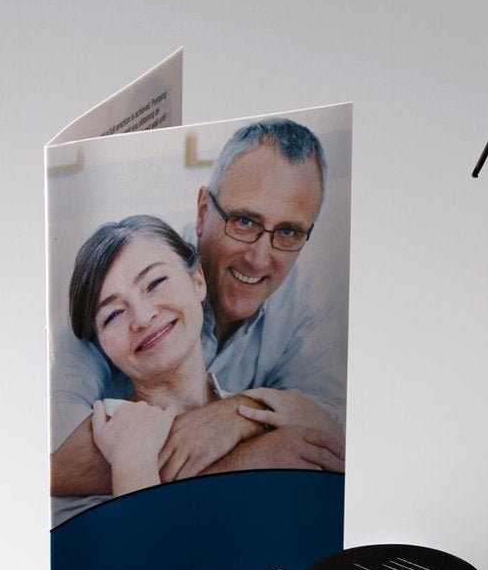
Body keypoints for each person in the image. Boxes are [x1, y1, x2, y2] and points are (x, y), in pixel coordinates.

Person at [50, 117, 345, 522]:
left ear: (197, 281)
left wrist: (236, 417)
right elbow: (48, 462)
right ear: (204, 211)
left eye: (289, 232)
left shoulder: (307, 309)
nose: (259, 258)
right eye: (244, 221)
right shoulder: (110, 418)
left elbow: (337, 428)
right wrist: (244, 463)